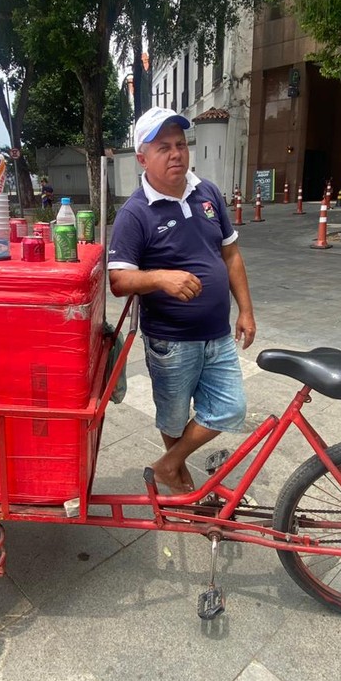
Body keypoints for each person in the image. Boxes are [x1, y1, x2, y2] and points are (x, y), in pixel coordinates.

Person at [108, 107, 256, 494]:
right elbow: (119, 280)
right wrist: (159, 277)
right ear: (142, 158)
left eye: (181, 144)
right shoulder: (135, 213)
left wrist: (246, 310)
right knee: (173, 421)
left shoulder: (207, 193)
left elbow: (231, 254)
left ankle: (167, 466)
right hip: (170, 341)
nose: (176, 154)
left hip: (218, 335)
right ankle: (180, 480)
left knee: (230, 408)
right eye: (163, 148)